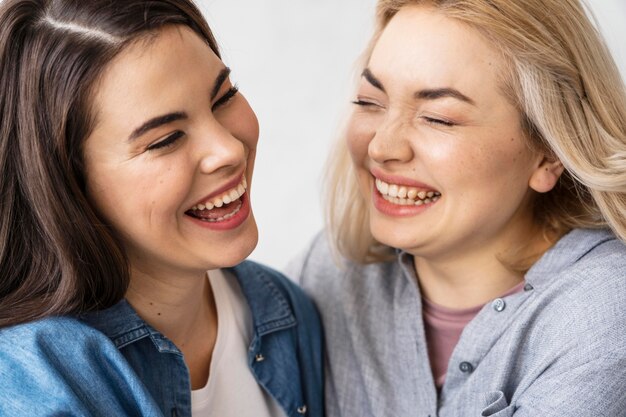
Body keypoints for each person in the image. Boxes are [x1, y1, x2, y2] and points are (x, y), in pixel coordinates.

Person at [288, 0, 626, 415]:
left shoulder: (602, 310)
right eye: (369, 102)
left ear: (549, 153)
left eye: (438, 118)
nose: (381, 147)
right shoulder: (330, 272)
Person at [0, 1, 323, 416]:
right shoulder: (34, 381)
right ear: (66, 184)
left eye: (223, 97)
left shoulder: (285, 310)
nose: (228, 150)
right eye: (165, 139)